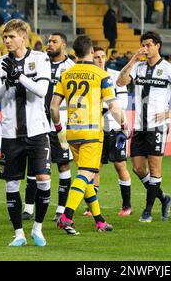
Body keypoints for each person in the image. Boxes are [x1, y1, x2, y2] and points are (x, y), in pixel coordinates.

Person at [50, 35, 129, 234]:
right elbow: (113, 106)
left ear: (74, 53)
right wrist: (124, 123)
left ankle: (99, 220)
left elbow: (53, 107)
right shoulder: (101, 75)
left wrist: (59, 129)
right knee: (86, 175)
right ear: (92, 51)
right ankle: (66, 216)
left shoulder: (65, 74)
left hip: (72, 132)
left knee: (85, 176)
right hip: (92, 132)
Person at [117, 31, 171, 222]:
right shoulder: (139, 67)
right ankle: (164, 198)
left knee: (154, 169)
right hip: (139, 126)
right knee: (137, 168)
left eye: (149, 44)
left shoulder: (169, 69)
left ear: (158, 45)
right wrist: (133, 60)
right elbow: (120, 81)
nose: (145, 48)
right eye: (143, 45)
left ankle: (148, 211)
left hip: (158, 126)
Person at [0, 19, 52, 246]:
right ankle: (18, 234)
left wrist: (21, 77)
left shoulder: (40, 59)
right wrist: (8, 82)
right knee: (12, 185)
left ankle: (38, 228)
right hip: (10, 134)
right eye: (5, 37)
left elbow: (42, 91)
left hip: (37, 131)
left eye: (11, 37)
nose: (7, 41)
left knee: (44, 180)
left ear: (23, 38)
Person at [22, 32, 75, 222]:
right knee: (33, 165)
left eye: (54, 42)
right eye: (49, 41)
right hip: (38, 122)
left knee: (63, 164)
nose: (49, 44)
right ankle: (28, 208)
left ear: (64, 45)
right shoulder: (40, 61)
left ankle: (61, 208)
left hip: (60, 124)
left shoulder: (71, 67)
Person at [83, 46, 132, 217]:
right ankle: (92, 207)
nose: (100, 59)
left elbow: (123, 104)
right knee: (95, 168)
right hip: (96, 129)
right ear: (91, 58)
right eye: (97, 57)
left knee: (120, 165)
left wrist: (103, 107)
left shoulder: (115, 75)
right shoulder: (88, 78)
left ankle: (127, 206)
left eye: (103, 56)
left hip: (115, 128)